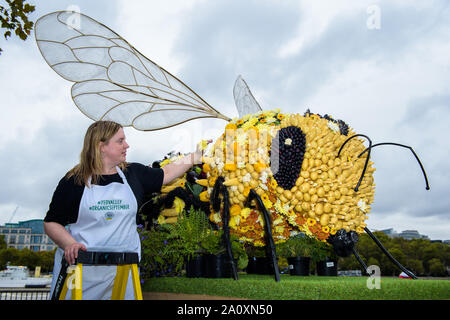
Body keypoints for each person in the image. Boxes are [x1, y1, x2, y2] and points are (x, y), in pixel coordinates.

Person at [44, 120, 203, 299]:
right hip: (81, 273)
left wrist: (194, 157)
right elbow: (51, 222)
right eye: (120, 141)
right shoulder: (73, 182)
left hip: (123, 271)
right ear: (101, 146)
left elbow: (166, 173)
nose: (126, 145)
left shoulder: (133, 174)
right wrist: (69, 243)